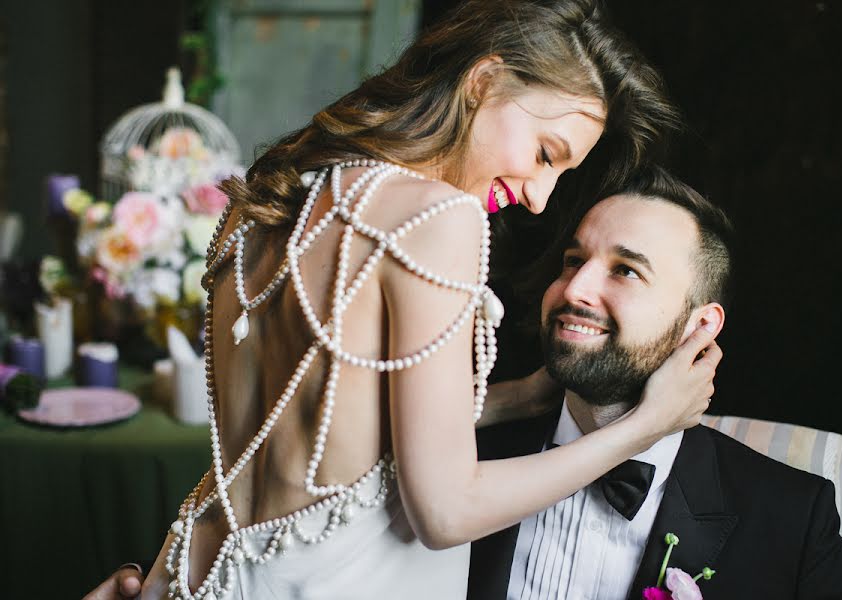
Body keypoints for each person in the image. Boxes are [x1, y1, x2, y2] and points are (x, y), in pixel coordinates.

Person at [87, 2, 723, 599]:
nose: (540, 197)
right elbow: (446, 512)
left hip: (197, 573)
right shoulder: (438, 218)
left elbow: (330, 427)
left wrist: (519, 399)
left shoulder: (269, 198)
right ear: (484, 81)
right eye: (544, 154)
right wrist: (647, 425)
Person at [468, 166, 842, 600]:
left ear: (698, 326)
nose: (574, 289)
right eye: (573, 261)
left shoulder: (790, 516)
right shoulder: (461, 453)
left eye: (625, 270)